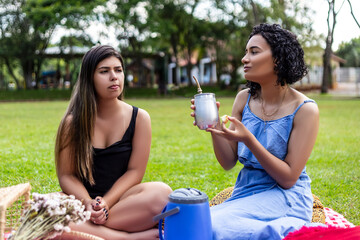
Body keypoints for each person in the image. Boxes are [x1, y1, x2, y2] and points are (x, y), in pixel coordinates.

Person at [190, 23, 319, 239]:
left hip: (285, 196)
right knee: (197, 222)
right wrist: (215, 128)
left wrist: (249, 140)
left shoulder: (305, 110)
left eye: (254, 52)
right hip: (246, 192)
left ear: (277, 58)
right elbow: (228, 161)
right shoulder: (244, 98)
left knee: (211, 227)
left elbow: (288, 178)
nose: (244, 58)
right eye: (245, 51)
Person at [54, 45, 172, 240]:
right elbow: (66, 176)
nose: (114, 77)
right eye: (104, 71)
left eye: (118, 70)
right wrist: (88, 204)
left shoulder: (140, 118)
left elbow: (135, 172)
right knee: (45, 209)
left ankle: (90, 233)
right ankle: (128, 238)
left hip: (120, 202)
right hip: (81, 204)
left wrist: (106, 204)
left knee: (162, 194)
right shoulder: (72, 123)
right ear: (89, 78)